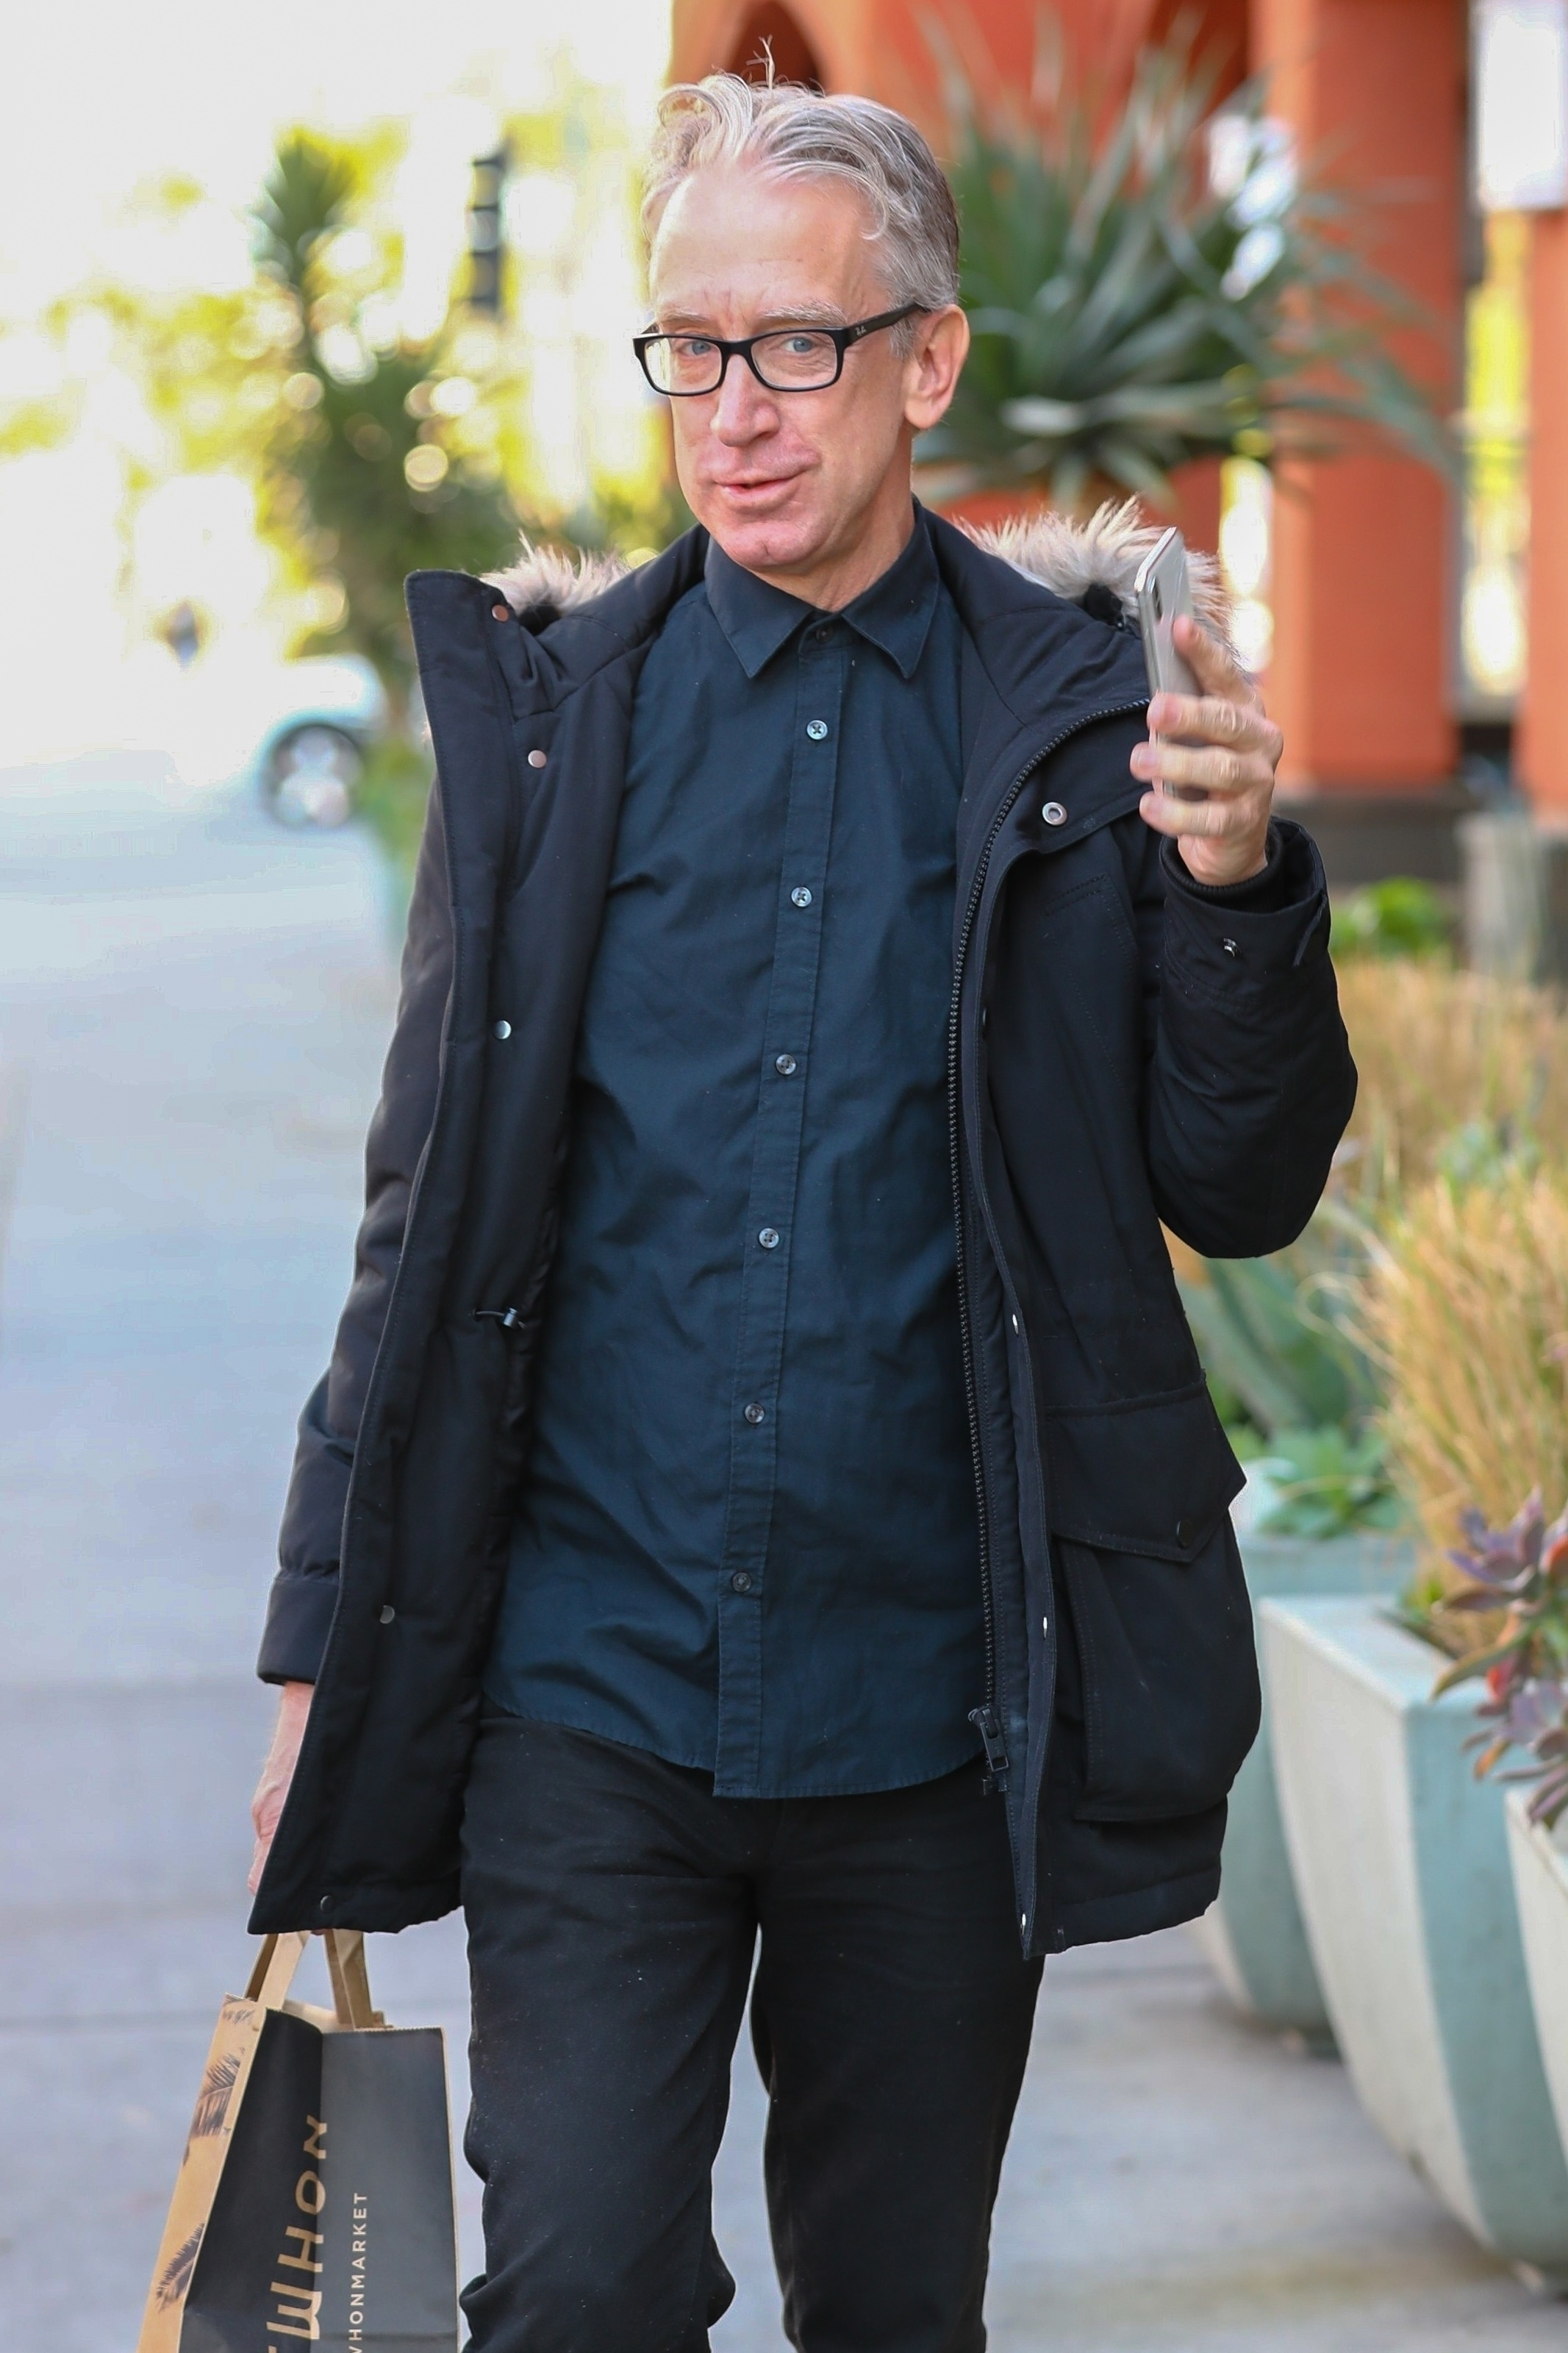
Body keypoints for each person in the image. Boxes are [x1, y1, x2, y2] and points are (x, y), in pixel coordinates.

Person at [248, 73, 1355, 2353]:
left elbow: (1237, 1191)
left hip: (935, 1706)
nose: (730, 412)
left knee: (891, 2307)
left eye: (793, 347)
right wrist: (310, 1647)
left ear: (924, 360)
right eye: (688, 349)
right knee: (574, 2284)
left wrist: (1239, 891)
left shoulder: (1091, 719)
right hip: (591, 1687)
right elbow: (417, 1219)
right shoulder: (552, 726)